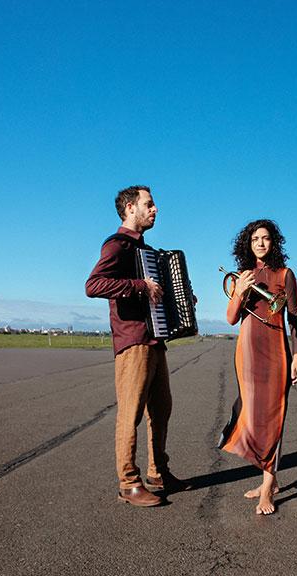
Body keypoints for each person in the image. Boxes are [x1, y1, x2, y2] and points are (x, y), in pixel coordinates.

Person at [85, 185, 189, 507]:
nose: (155, 209)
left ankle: (158, 472)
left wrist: (177, 299)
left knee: (161, 410)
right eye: (149, 204)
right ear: (131, 208)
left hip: (154, 340)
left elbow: (156, 293)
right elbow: (94, 284)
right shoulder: (117, 246)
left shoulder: (145, 251)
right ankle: (128, 483)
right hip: (132, 343)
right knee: (130, 414)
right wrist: (140, 285)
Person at [218, 219, 297, 515]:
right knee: (254, 417)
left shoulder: (285, 274)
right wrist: (240, 290)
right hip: (248, 353)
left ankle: (267, 489)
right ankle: (271, 478)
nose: (261, 243)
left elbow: (295, 320)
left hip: (277, 352)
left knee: (274, 416)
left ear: (274, 242)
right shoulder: (242, 276)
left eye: (266, 238)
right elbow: (230, 318)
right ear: (248, 243)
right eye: (255, 239)